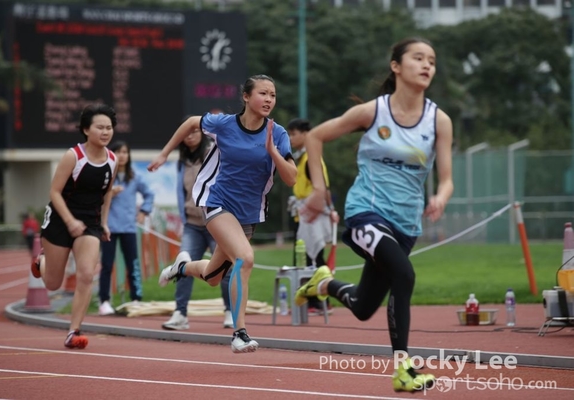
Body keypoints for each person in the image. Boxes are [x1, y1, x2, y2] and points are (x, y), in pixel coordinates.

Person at [294, 38, 453, 392]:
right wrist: (319, 190)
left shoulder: (439, 120)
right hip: (365, 213)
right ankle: (403, 368)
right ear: (396, 66)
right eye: (418, 58)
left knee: (364, 306)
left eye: (432, 60)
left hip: (406, 224)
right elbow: (315, 138)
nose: (427, 65)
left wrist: (440, 198)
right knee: (404, 274)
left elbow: (447, 179)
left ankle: (322, 282)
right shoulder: (372, 112)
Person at [148, 74, 297, 353]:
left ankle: (181, 267)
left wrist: (273, 152)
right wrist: (165, 153)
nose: (268, 100)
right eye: (263, 93)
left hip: (249, 214)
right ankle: (239, 333)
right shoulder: (225, 124)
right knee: (245, 258)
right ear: (246, 96)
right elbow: (192, 122)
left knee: (213, 275)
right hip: (218, 204)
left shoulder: (277, 133)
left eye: (273, 95)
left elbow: (291, 178)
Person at [31, 103, 118, 349]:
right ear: (86, 130)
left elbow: (108, 192)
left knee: (87, 275)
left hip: (89, 223)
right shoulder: (74, 156)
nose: (105, 132)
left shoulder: (112, 160)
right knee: (52, 283)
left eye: (109, 128)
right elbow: (54, 192)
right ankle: (42, 262)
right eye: (100, 127)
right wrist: (70, 221)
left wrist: (103, 223)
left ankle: (73, 331)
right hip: (61, 219)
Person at [162, 118, 233, 330]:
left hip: (216, 223)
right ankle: (180, 314)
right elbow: (181, 191)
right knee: (183, 266)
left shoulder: (212, 153)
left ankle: (230, 311)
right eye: (187, 133)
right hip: (192, 224)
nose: (190, 135)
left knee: (225, 269)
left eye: (194, 132)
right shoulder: (182, 161)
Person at [287, 118, 339, 316]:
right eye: (290, 134)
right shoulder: (302, 158)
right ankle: (312, 301)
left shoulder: (312, 159)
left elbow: (323, 187)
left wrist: (331, 210)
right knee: (306, 258)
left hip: (313, 216)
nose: (291, 138)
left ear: (306, 134)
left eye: (294, 134)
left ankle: (321, 301)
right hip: (303, 215)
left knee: (315, 257)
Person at [97, 140, 155, 316]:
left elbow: (149, 194)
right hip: (108, 227)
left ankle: (136, 298)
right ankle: (104, 301)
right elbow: (94, 198)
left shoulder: (134, 176)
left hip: (129, 227)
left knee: (133, 264)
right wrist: (110, 193)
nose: (122, 155)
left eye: (125, 152)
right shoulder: (105, 176)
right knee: (106, 265)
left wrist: (144, 211)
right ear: (111, 154)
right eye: (118, 152)